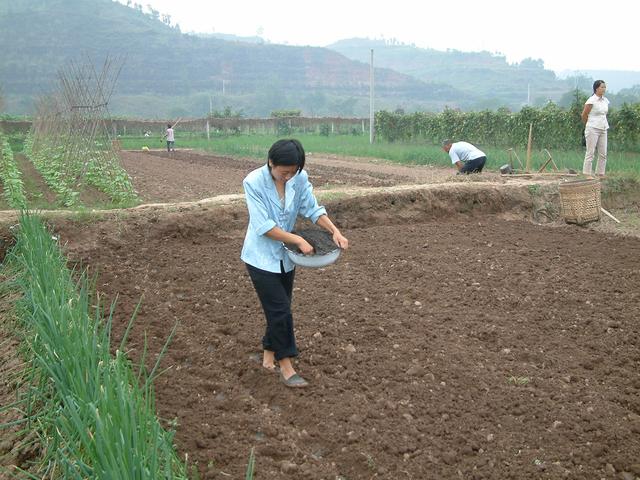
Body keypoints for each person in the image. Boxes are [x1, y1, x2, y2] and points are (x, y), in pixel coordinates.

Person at [241, 139, 349, 388]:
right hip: (260, 258)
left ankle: (268, 356)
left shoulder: (299, 178)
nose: (289, 177)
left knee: (279, 308)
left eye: (293, 171)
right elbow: (263, 226)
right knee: (281, 311)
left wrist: (335, 231)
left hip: (286, 257)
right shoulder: (253, 182)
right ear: (271, 163)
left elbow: (311, 208)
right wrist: (298, 239)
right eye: (284, 172)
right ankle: (286, 366)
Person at [581, 80, 609, 177]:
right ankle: (587, 173)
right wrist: (588, 124)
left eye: (605, 87)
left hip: (603, 128)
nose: (604, 89)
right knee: (590, 152)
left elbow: (604, 113)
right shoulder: (591, 100)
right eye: (602, 87)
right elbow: (584, 114)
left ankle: (600, 173)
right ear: (596, 88)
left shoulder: (605, 100)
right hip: (592, 128)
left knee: (603, 153)